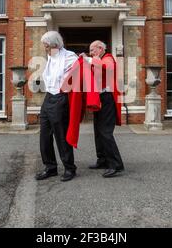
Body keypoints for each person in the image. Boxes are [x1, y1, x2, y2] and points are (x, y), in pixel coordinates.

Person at [36, 31, 78, 182]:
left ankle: (69, 168)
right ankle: (50, 167)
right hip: (48, 97)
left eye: (46, 45)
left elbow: (77, 75)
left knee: (61, 135)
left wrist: (66, 88)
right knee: (44, 135)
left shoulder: (69, 56)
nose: (44, 48)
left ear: (54, 44)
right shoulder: (50, 56)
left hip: (60, 98)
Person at [81, 40, 124, 178]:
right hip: (100, 99)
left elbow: (107, 67)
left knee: (105, 132)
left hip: (107, 98)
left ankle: (116, 164)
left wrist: (88, 59)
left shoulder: (108, 58)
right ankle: (103, 160)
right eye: (90, 51)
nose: (91, 53)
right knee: (98, 131)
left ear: (100, 48)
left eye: (92, 50)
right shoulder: (98, 59)